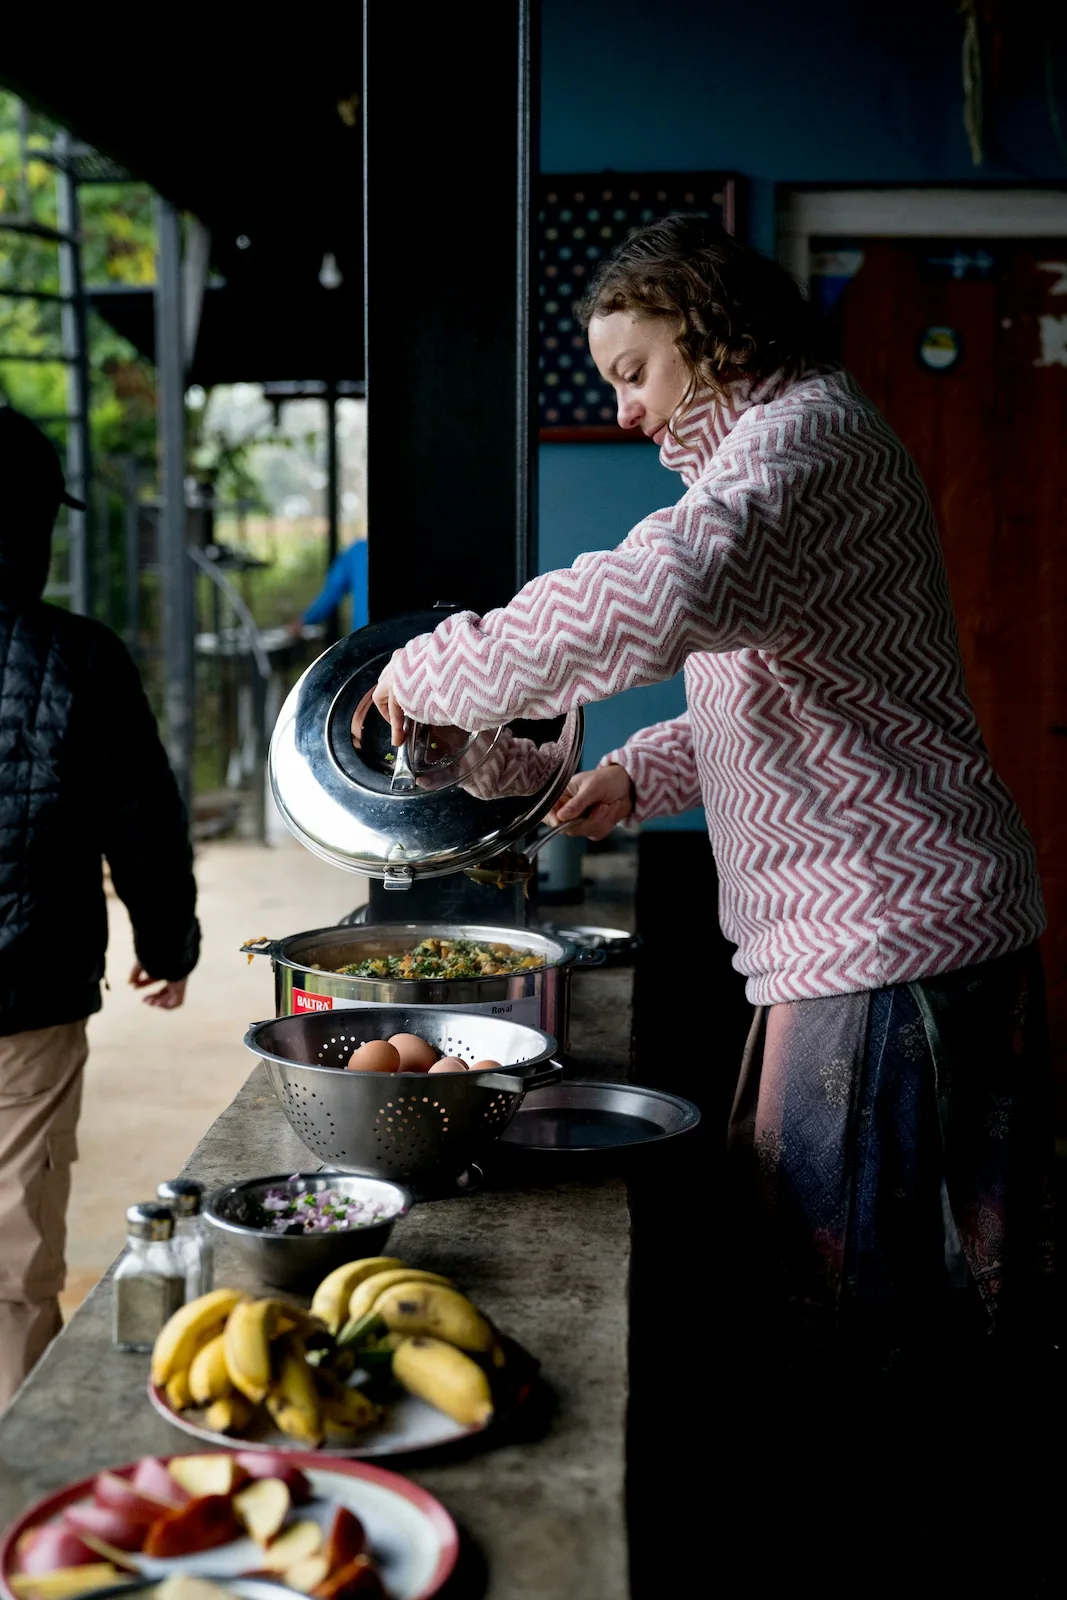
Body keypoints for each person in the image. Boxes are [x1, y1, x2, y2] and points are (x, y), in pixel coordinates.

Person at [372, 216, 1054, 1367]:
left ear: (708, 331)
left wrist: (424, 669)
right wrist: (636, 774)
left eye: (634, 373)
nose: (624, 412)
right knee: (930, 1280)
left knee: (850, 1296)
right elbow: (779, 692)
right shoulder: (794, 452)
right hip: (894, 928)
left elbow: (647, 595)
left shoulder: (799, 450)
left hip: (889, 936)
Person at [0, 406, 200, 1406]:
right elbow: (144, 823)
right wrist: (168, 943)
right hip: (27, 1000)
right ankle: (16, 1472)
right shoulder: (80, 657)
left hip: (32, 993)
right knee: (13, 1252)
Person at [291, 536, 368, 636]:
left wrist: (304, 621)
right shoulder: (356, 553)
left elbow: (330, 594)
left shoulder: (357, 552)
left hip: (365, 639)